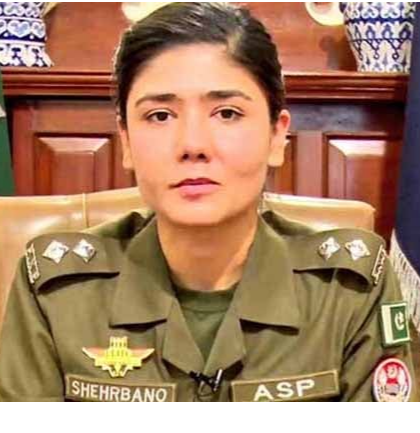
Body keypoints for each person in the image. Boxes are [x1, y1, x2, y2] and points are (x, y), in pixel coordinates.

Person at [0, 2, 417, 402]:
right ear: (125, 141)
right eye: (160, 116)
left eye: (227, 113)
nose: (193, 145)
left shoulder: (350, 291)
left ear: (277, 136)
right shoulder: (56, 292)